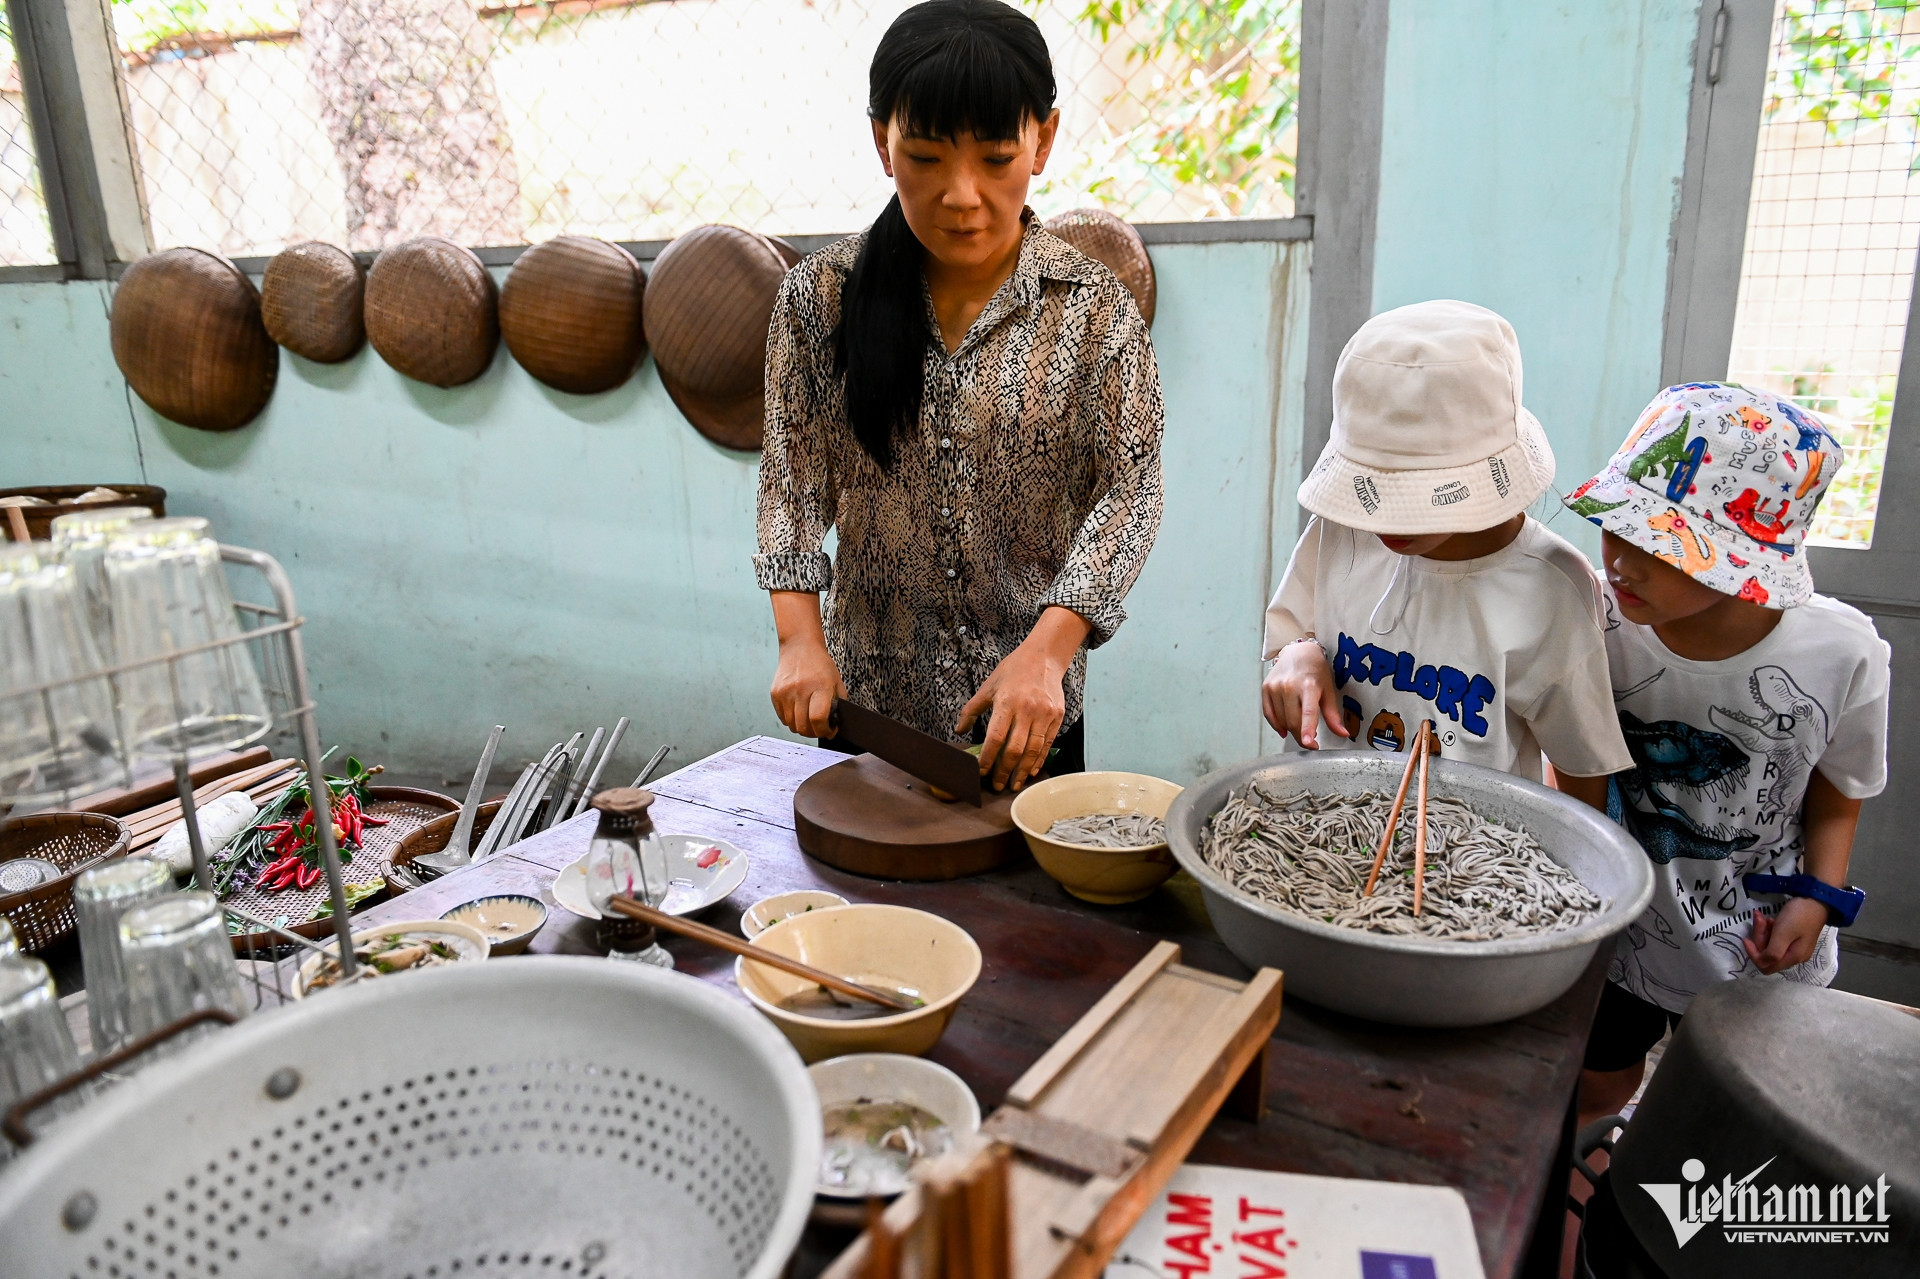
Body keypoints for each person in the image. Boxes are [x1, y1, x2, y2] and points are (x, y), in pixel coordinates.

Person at [756, 0, 1164, 792]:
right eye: (927, 157)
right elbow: (792, 483)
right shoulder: (819, 301)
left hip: (1026, 718)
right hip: (868, 713)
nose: (963, 194)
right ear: (883, 143)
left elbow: (1131, 492)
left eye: (997, 157)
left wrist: (1048, 651)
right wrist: (798, 638)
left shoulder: (1093, 310)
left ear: (1043, 139)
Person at [1565, 382, 1889, 1120]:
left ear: (1748, 558)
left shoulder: (1842, 654)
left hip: (1762, 937)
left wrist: (1821, 894)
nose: (1621, 563)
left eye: (1662, 545)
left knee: (1733, 1110)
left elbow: (1843, 788)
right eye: (1617, 527)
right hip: (1622, 932)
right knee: (1596, 1087)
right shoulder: (1595, 619)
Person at [1260, 300, 1630, 805]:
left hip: (1477, 866)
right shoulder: (1342, 530)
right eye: (1375, 490)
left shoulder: (1551, 588)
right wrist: (1298, 657)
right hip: (1323, 831)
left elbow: (1579, 775)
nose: (1383, 518)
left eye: (1410, 495)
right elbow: (1296, 633)